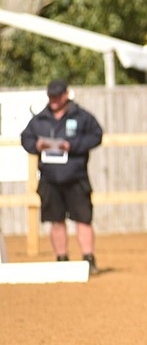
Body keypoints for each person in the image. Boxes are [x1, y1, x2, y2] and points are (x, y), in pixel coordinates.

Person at [19, 80, 104, 272]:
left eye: (57, 95)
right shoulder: (40, 118)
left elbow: (96, 135)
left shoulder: (81, 116)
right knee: (55, 220)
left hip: (76, 176)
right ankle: (61, 260)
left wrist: (72, 145)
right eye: (51, 96)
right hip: (50, 178)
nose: (54, 100)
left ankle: (88, 259)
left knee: (83, 219)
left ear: (66, 95)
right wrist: (37, 146)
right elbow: (26, 138)